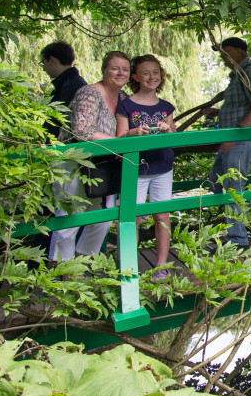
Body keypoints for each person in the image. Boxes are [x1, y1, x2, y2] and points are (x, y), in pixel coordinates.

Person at [49, 51, 130, 261]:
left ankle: (82, 260)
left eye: (125, 69)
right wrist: (120, 144)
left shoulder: (124, 98)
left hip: (100, 164)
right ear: (104, 70)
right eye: (115, 68)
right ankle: (62, 270)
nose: (120, 73)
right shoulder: (89, 93)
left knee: (102, 218)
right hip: (71, 161)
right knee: (69, 216)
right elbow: (82, 131)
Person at [203, 37, 251, 248]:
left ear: (241, 51)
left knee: (233, 187)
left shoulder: (250, 71)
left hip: (241, 140)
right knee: (215, 182)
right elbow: (241, 108)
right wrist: (218, 112)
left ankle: (238, 240)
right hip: (230, 140)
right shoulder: (237, 75)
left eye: (227, 52)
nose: (223, 57)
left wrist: (234, 136)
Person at [116, 54, 176, 275]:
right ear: (135, 77)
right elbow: (119, 137)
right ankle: (128, 266)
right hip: (136, 169)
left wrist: (168, 128)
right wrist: (132, 133)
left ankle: (161, 265)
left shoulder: (167, 106)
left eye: (156, 72)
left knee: (162, 215)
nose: (152, 77)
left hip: (163, 167)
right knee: (134, 216)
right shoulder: (126, 105)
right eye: (146, 73)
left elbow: (172, 133)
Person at [40, 41, 87, 139]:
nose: (43, 69)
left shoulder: (70, 86)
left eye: (43, 63)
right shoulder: (73, 82)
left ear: (52, 60)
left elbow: (59, 120)